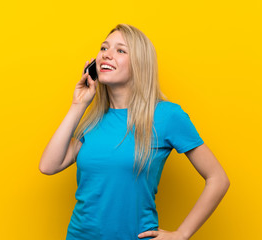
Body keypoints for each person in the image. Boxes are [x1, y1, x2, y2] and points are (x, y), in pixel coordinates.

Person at [39, 24, 230, 240]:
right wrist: (78, 104)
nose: (106, 55)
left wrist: (182, 233)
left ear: (140, 64)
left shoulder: (166, 116)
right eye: (104, 48)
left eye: (120, 50)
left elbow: (218, 179)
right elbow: (48, 166)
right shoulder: (92, 120)